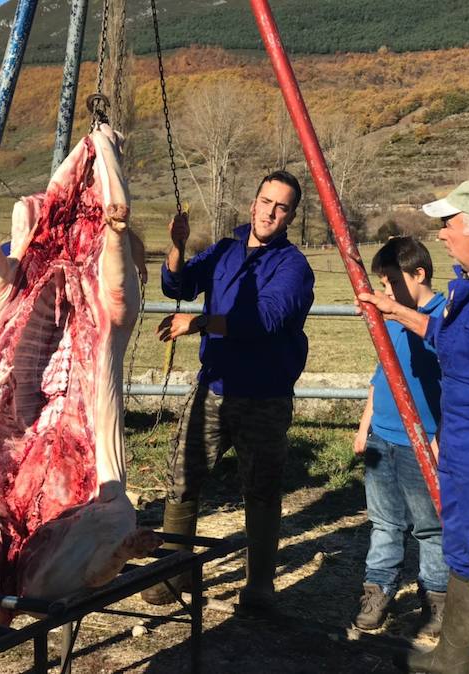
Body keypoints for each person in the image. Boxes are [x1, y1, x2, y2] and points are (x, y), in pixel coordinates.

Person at [141, 170, 315, 611]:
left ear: (290, 215)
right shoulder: (225, 250)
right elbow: (177, 285)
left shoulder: (294, 267)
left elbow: (265, 320)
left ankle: (259, 586)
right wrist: (178, 247)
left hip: (264, 396)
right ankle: (171, 574)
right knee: (182, 480)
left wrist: (201, 323)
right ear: (253, 203)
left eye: (281, 207)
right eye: (265, 201)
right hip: (214, 387)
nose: (270, 212)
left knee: (260, 489)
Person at [359, 180, 469, 674]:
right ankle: (452, 657)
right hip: (460, 441)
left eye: (450, 223)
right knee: (464, 545)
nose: (443, 232)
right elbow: (445, 339)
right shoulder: (466, 289)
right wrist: (395, 312)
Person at [352, 237, 448, 636]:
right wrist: (364, 426)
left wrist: (442, 439)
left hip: (423, 440)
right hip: (383, 438)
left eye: (391, 281)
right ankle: (378, 591)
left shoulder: (444, 317)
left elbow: (457, 384)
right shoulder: (391, 317)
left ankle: (437, 599)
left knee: (430, 526)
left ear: (419, 274)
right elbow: (381, 375)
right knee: (384, 522)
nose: (385, 292)